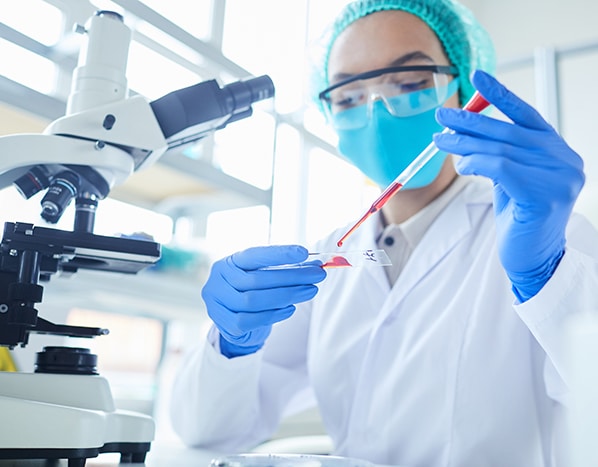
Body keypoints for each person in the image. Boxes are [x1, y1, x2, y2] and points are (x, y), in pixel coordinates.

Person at [170, 0, 598, 465]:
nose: (377, 111)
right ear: (330, 114)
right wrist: (232, 343)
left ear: (458, 89)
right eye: (349, 96)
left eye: (410, 82)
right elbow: (205, 430)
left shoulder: (549, 238)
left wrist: (545, 279)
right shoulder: (328, 259)